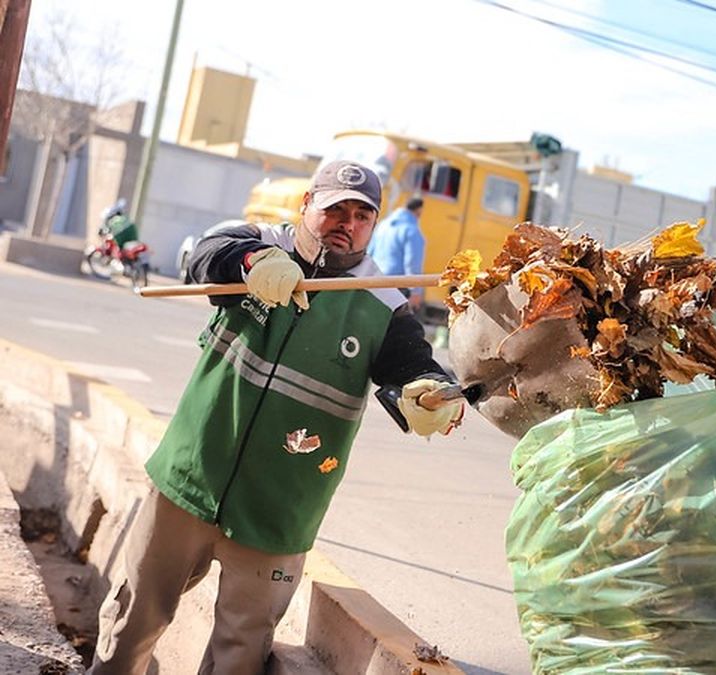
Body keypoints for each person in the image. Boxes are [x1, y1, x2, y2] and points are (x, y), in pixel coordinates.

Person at [89, 161, 465, 675]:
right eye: (335, 209)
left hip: (279, 513)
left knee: (238, 656)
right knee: (132, 622)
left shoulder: (385, 302)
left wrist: (424, 393)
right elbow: (205, 256)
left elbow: (412, 366)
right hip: (188, 479)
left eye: (361, 215)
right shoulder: (258, 243)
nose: (346, 223)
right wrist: (249, 265)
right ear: (307, 205)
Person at [368, 196, 426, 309]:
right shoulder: (412, 231)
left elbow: (370, 251)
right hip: (395, 286)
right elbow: (412, 264)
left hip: (374, 280)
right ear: (419, 210)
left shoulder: (383, 225)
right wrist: (416, 291)